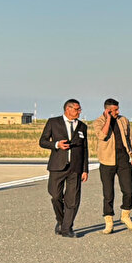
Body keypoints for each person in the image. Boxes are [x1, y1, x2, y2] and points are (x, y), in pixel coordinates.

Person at [38, 99, 89, 237]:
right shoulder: (53, 122)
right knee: (55, 196)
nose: (79, 111)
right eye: (77, 109)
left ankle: (67, 228)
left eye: (80, 109)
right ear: (68, 109)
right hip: (57, 166)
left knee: (72, 199)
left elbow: (85, 149)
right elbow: (42, 141)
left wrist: (85, 169)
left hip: (75, 167)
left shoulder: (82, 126)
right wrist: (56, 144)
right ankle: (61, 221)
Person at [92, 98, 132, 234]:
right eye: (115, 110)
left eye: (118, 109)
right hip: (107, 161)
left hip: (123, 159)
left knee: (128, 190)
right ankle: (109, 221)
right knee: (108, 193)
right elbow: (102, 135)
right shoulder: (98, 122)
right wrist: (108, 119)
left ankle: (125, 215)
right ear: (107, 110)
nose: (118, 112)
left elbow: (130, 139)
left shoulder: (124, 120)